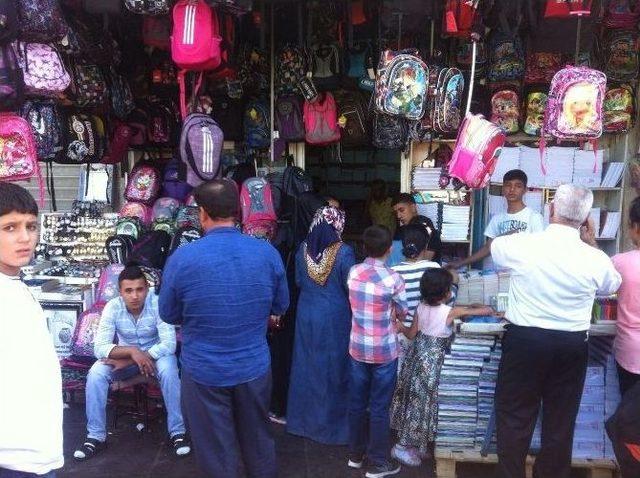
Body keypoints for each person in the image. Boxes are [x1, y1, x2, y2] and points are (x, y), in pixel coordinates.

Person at [159, 179, 289, 478]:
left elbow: (168, 313)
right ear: (239, 211)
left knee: (216, 453)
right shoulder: (267, 253)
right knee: (258, 442)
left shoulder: (182, 258)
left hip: (203, 371)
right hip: (253, 367)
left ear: (202, 213)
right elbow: (280, 306)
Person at [491, 184, 621, 478]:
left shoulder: (523, 244)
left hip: (525, 342)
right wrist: (591, 243)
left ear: (550, 210)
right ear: (586, 219)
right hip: (570, 345)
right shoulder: (594, 258)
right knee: (560, 422)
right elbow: (612, 284)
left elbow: (496, 249)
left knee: (514, 418)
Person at [73, 265, 189, 461]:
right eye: (129, 290)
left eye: (140, 289)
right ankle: (95, 436)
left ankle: (178, 432)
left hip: (157, 356)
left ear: (146, 288)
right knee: (95, 374)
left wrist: (134, 358)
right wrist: (132, 353)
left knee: (169, 370)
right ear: (120, 293)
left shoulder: (158, 303)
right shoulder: (113, 307)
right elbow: (99, 347)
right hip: (127, 358)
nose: (135, 296)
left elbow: (169, 345)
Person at [391, 269, 494, 467]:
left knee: (414, 404)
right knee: (423, 406)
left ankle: (412, 444)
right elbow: (481, 312)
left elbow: (412, 334)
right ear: (446, 293)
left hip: (416, 360)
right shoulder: (449, 312)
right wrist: (487, 308)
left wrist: (401, 327)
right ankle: (401, 447)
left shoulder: (421, 306)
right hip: (432, 365)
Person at [0, 183, 63, 478]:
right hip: (12, 458)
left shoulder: (17, 287)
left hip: (35, 453)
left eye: (31, 226)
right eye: (9, 227)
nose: (25, 238)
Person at [287, 206, 356, 445]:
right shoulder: (344, 252)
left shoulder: (302, 249)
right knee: (333, 368)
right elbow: (351, 287)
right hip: (335, 316)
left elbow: (297, 281)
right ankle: (332, 429)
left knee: (306, 366)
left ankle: (301, 423)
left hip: (307, 313)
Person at [347, 225, 408, 478]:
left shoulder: (353, 272)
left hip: (357, 347)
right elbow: (402, 311)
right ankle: (378, 463)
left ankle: (355, 456)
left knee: (357, 404)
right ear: (390, 249)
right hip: (384, 350)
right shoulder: (394, 279)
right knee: (380, 407)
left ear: (363, 247)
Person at [391, 224, 458, 369]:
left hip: (401, 334)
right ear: (426, 244)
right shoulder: (433, 267)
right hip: (428, 336)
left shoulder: (393, 272)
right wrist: (456, 285)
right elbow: (448, 301)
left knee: (401, 379)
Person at [447, 169, 544, 270]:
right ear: (503, 189)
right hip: (499, 277)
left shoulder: (534, 217)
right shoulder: (497, 219)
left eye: (518, 186)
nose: (512, 189)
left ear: (525, 190)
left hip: (523, 277)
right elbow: (488, 248)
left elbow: (539, 250)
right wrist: (461, 263)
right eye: (508, 185)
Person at [612, 196, 640, 396]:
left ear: (635, 227)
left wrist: (591, 242)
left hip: (631, 354)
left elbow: (599, 274)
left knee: (630, 418)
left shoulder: (622, 262)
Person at [390, 193, 442, 266]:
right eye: (396, 213)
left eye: (401, 210)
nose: (398, 216)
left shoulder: (428, 230)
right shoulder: (400, 231)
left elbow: (422, 264)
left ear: (413, 207)